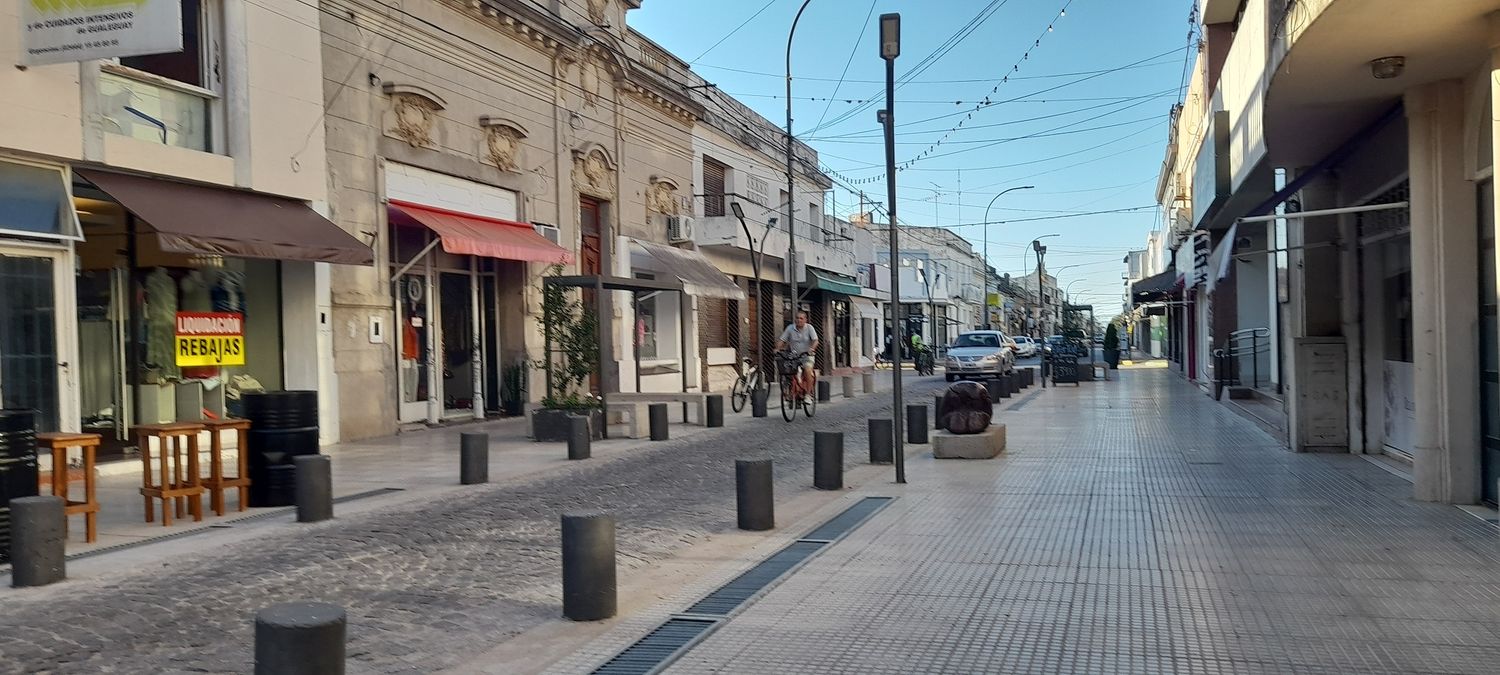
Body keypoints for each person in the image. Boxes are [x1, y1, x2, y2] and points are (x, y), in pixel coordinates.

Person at [775, 311, 820, 402]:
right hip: (794, 355)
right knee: (788, 370)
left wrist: (811, 349)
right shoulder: (790, 328)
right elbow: (782, 340)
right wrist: (777, 348)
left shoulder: (809, 328)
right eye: (797, 318)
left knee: (807, 370)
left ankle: (808, 394)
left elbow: (815, 341)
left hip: (807, 355)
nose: (798, 320)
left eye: (801, 318)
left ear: (805, 320)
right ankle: (792, 391)